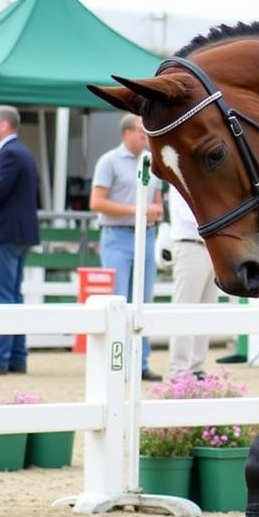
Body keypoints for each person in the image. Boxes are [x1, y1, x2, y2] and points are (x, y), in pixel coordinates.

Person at [90, 114, 164, 380]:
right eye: (142, 132)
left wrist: (155, 211)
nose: (146, 136)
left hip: (146, 234)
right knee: (117, 300)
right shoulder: (109, 161)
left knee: (144, 301)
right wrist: (138, 210)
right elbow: (96, 202)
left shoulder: (152, 162)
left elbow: (158, 201)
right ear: (127, 133)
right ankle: (115, 365)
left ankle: (141, 364)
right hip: (117, 235)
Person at [0, 107, 39, 374]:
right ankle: (16, 357)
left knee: (0, 296)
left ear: (4, 125)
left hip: (5, 233)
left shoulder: (9, 153)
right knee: (13, 295)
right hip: (20, 233)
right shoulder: (22, 151)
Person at [166, 190, 218, 379]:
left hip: (213, 246)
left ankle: (197, 367)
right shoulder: (180, 182)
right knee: (184, 309)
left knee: (206, 310)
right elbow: (189, 215)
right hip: (190, 245)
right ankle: (178, 369)